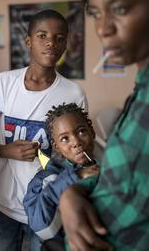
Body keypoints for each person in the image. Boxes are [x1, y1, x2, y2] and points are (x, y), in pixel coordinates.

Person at [59, 0, 149, 250]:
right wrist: (73, 194)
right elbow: (132, 179)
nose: (103, 29)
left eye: (119, 9)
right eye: (96, 13)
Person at [0, 9, 88, 251]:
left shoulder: (73, 94)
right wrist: (4, 150)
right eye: (42, 36)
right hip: (4, 204)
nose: (51, 43)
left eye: (59, 38)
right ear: (28, 41)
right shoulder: (3, 83)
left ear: (66, 43)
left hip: (47, 205)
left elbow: (78, 154)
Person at [23, 103, 99, 247]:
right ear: (56, 146)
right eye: (65, 139)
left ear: (92, 132)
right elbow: (41, 227)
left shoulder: (106, 166)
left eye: (82, 131)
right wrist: (75, 176)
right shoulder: (46, 178)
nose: (76, 142)